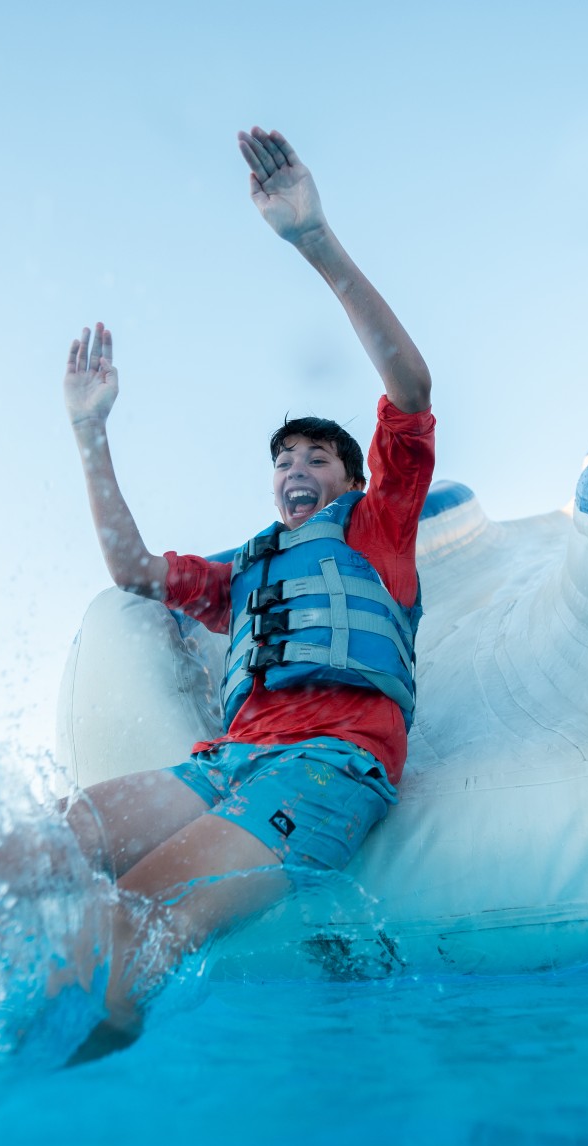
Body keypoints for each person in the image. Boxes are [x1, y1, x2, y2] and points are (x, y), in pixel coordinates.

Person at [55, 126, 434, 1062]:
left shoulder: (380, 524)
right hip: (224, 762)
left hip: (330, 764)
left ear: (349, 477)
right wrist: (90, 431)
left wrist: (313, 240)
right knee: (57, 843)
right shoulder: (246, 569)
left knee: (138, 909)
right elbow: (133, 571)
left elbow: (412, 385)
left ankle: (64, 1085)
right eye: (283, 460)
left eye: (316, 456)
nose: (295, 469)